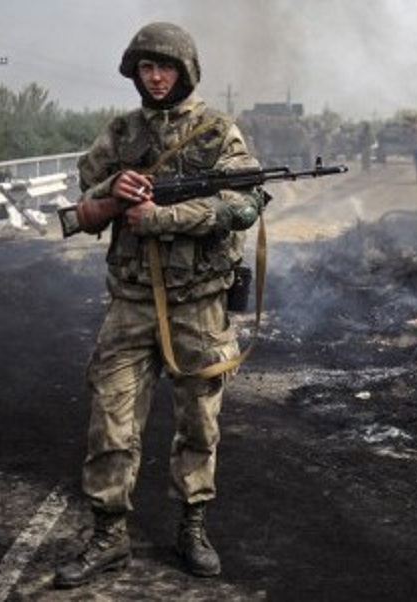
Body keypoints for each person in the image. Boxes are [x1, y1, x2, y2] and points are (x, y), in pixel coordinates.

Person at [54, 22, 265, 588]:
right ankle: (107, 536)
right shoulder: (120, 133)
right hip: (130, 304)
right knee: (110, 423)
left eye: (164, 66)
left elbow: (245, 204)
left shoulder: (218, 133)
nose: (155, 76)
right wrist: (113, 194)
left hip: (198, 305)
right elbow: (83, 203)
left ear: (186, 70)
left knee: (199, 424)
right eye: (146, 67)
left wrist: (165, 217)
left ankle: (192, 527)